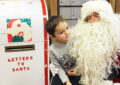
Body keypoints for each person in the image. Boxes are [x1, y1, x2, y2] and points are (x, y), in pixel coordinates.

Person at [70, 0, 120, 85]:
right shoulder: (80, 40)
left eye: (96, 16)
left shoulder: (116, 40)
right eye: (88, 18)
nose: (92, 20)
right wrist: (79, 70)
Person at [45, 16, 81, 85]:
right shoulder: (51, 50)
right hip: (63, 73)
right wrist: (66, 81)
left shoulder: (75, 40)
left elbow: (82, 58)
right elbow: (58, 67)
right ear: (52, 36)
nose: (67, 33)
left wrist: (78, 70)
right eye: (61, 32)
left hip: (78, 71)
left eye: (67, 28)